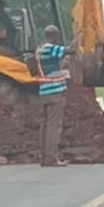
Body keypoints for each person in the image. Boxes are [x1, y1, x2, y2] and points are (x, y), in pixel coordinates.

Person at [36, 25, 77, 167]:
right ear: (54, 36)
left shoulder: (40, 49)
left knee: (45, 126)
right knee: (54, 126)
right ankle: (51, 158)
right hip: (54, 91)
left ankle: (44, 157)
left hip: (43, 91)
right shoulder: (50, 48)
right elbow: (71, 50)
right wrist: (79, 35)